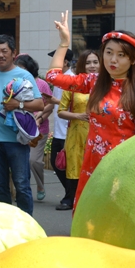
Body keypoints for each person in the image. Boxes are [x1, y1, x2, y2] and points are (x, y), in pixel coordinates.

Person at [46, 12, 135, 206]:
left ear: (132, 60)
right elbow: (53, 76)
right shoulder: (93, 82)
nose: (113, 59)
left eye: (121, 55)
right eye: (109, 52)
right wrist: (64, 43)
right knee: (88, 212)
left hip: (122, 167)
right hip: (92, 163)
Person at [0, 35, 43, 214]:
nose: (0, 55)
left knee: (21, 185)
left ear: (13, 53)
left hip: (16, 141)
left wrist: (18, 105)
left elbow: (39, 104)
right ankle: (5, 224)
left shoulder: (24, 75)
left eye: (4, 51)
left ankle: (26, 224)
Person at [56, 50, 98, 210]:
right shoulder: (74, 85)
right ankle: (72, 199)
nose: (92, 66)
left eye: (95, 62)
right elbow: (61, 111)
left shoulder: (107, 85)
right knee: (74, 166)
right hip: (76, 134)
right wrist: (78, 116)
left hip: (99, 134)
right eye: (88, 63)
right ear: (81, 65)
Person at [15, 54, 55, 201]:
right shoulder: (16, 84)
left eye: (22, 68)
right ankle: (22, 190)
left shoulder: (41, 84)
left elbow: (50, 104)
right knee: (21, 162)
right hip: (20, 128)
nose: (19, 71)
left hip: (39, 130)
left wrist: (41, 118)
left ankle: (40, 185)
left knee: (34, 160)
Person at [47, 48, 75, 210]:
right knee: (57, 163)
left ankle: (70, 197)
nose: (53, 63)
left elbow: (73, 104)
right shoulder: (60, 80)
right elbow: (54, 103)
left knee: (67, 166)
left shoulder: (72, 80)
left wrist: (54, 101)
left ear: (65, 62)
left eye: (56, 59)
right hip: (59, 131)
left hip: (68, 132)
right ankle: (71, 194)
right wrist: (41, 115)